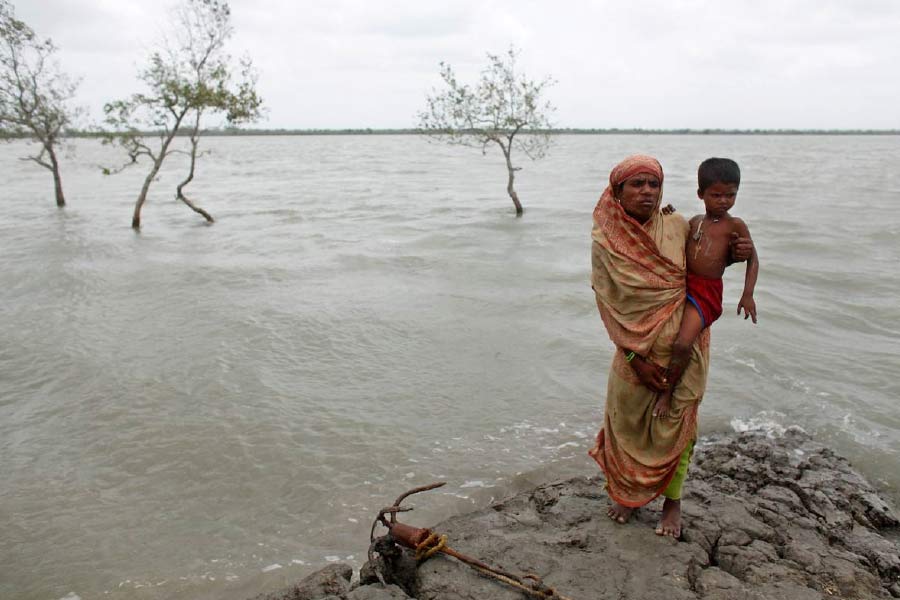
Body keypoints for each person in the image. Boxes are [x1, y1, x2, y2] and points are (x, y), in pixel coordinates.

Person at [588, 155, 752, 538]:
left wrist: (735, 255)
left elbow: (705, 269)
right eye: (637, 184)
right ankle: (626, 495)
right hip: (633, 354)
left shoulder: (679, 225)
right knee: (624, 425)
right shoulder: (605, 241)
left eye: (654, 184)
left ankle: (672, 502)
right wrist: (634, 356)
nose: (647, 191)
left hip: (686, 346)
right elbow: (608, 304)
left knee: (678, 428)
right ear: (617, 192)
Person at [652, 158, 759, 420]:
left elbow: (753, 258)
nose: (723, 201)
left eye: (730, 195)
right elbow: (674, 236)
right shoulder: (695, 220)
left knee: (681, 344)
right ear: (701, 194)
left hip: (706, 294)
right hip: (684, 285)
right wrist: (666, 216)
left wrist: (747, 294)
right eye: (716, 195)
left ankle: (667, 392)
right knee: (660, 338)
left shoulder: (735, 225)